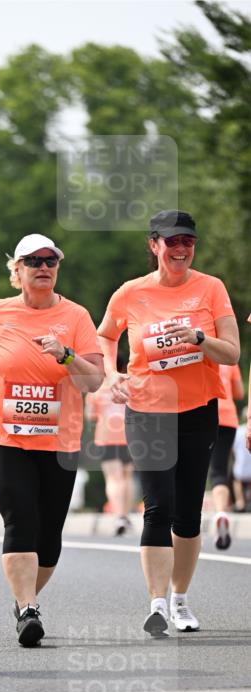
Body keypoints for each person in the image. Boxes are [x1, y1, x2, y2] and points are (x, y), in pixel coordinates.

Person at [97, 210, 240, 636]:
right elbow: (105, 335)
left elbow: (231, 353)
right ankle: (157, 603)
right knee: (157, 507)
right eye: (172, 242)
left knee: (188, 513)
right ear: (154, 244)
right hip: (148, 410)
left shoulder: (211, 289)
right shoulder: (130, 293)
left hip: (198, 409)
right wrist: (111, 372)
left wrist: (199, 338)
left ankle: (180, 600)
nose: (181, 250)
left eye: (188, 242)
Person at [0, 233, 103, 647]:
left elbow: (94, 380)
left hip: (60, 441)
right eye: (33, 261)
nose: (43, 267)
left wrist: (66, 355)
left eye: (50, 261)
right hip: (3, 436)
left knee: (49, 537)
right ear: (17, 271)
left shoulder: (76, 317)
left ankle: (27, 598)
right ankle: (28, 608)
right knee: (20, 520)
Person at [85, 355, 135, 536]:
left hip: (106, 437)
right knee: (127, 476)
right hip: (130, 436)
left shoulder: (98, 388)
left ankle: (118, 516)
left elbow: (90, 415)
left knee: (114, 478)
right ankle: (126, 516)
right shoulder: (131, 384)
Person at [208, 362, 243, 548]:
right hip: (228, 417)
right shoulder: (229, 355)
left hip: (202, 414)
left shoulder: (195, 346)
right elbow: (239, 392)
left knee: (192, 467)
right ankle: (221, 512)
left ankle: (184, 519)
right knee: (219, 470)